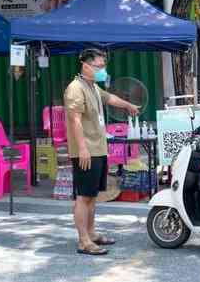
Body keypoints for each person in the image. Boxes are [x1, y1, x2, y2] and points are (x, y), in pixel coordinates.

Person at [64, 48, 139, 255]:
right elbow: (75, 120)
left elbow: (110, 98)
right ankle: (83, 241)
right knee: (83, 196)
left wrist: (128, 105)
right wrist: (82, 149)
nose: (102, 70)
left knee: (92, 195)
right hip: (85, 151)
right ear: (86, 66)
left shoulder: (93, 87)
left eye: (103, 66)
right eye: (99, 66)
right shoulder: (75, 88)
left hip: (98, 149)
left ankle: (91, 232)